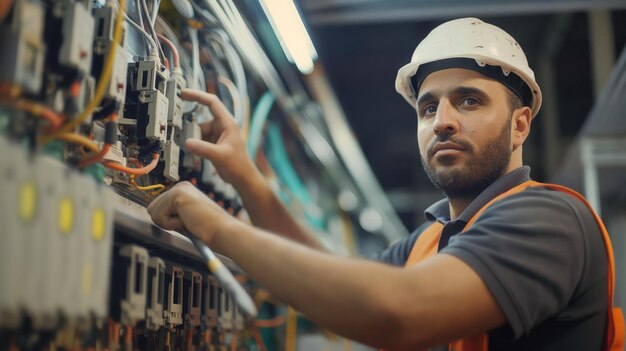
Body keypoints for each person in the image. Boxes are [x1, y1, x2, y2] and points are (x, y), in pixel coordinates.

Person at [148, 18, 623, 350]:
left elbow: (395, 313)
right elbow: (337, 278)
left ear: (520, 126)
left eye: (470, 101)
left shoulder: (549, 220)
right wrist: (246, 179)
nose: (443, 122)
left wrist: (215, 225)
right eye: (429, 107)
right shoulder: (432, 240)